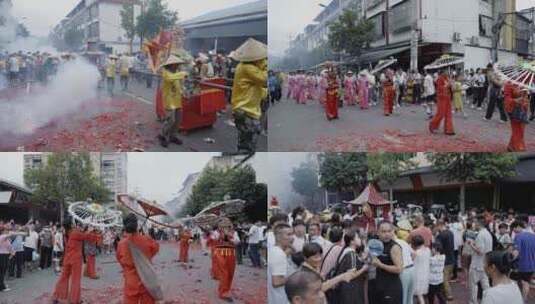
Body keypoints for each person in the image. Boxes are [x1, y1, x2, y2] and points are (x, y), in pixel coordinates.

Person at [230, 38, 268, 153]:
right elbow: (265, 80)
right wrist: (265, 67)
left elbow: (259, 88)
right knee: (248, 142)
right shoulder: (248, 68)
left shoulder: (245, 66)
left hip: (247, 109)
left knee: (246, 140)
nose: (264, 60)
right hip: (246, 110)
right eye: (262, 58)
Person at [51, 219, 100, 304]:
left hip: (67, 258)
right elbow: (89, 237)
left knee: (63, 278)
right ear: (71, 224)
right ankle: (75, 300)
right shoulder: (75, 232)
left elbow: (83, 235)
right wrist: (91, 230)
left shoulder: (66, 233)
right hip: (76, 259)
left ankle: (56, 297)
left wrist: (87, 230)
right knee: (75, 279)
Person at [116, 213, 160, 304]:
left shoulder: (121, 244)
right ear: (136, 225)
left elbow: (120, 259)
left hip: (131, 281)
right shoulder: (147, 239)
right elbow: (155, 248)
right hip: (147, 280)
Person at [369, 221, 403, 304]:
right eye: (384, 232)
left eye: (389, 231)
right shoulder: (377, 243)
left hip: (391, 288)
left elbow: (399, 269)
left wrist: (380, 265)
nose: (387, 234)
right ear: (378, 232)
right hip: (379, 285)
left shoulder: (394, 247)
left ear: (393, 232)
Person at [158, 55, 188, 148]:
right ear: (171, 65)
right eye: (176, 64)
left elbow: (179, 85)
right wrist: (183, 74)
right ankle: (162, 136)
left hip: (177, 100)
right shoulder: (165, 72)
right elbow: (170, 78)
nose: (178, 66)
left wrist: (183, 91)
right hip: (169, 100)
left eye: (178, 64)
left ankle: (173, 136)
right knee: (171, 120)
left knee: (178, 120)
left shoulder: (177, 72)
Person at [332, 229, 369, 304]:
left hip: (346, 291)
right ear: (352, 241)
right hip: (350, 291)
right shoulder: (351, 254)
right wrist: (364, 268)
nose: (360, 240)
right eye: (358, 238)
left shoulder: (346, 251)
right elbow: (351, 275)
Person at [212, 218, 240, 301]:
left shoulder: (234, 233)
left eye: (227, 223)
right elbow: (213, 239)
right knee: (224, 273)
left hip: (231, 253)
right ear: (219, 225)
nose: (225, 224)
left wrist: (230, 237)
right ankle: (223, 292)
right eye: (222, 223)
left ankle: (226, 289)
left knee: (230, 272)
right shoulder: (217, 232)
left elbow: (237, 241)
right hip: (220, 253)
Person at [468, 216, 493, 304]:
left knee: (473, 285)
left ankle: (473, 302)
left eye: (475, 222)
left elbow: (480, 251)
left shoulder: (481, 234)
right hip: (485, 263)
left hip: (477, 264)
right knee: (485, 286)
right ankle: (488, 301)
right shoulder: (488, 234)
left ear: (478, 223)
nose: (473, 224)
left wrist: (471, 244)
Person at [268, 223, 293, 304]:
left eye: (292, 234)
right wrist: (295, 276)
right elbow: (276, 282)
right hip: (280, 299)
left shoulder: (275, 251)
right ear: (278, 237)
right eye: (288, 235)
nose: (291, 238)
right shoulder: (279, 254)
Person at [510, 220, 535, 300]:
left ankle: (515, 300)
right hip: (531, 265)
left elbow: (516, 252)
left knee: (513, 281)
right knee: (526, 283)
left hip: (520, 265)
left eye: (514, 229)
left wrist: (509, 259)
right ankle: (523, 300)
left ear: (517, 226)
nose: (514, 231)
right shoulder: (533, 236)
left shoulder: (519, 236)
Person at [504, 81, 529, 151]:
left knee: (522, 129)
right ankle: (518, 147)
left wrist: (525, 93)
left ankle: (511, 146)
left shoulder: (524, 82)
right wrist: (515, 100)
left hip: (523, 109)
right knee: (517, 129)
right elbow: (506, 99)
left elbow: (525, 97)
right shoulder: (508, 84)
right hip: (513, 110)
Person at [429, 68, 455, 135]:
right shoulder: (439, 79)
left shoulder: (447, 78)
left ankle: (449, 130)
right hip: (441, 98)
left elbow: (452, 88)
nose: (448, 72)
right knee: (441, 114)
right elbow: (440, 88)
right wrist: (447, 85)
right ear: (442, 72)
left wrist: (452, 84)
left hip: (448, 97)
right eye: (446, 71)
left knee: (448, 114)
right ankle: (432, 126)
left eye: (448, 70)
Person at [434, 220, 455, 300]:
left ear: (439, 225)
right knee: (448, 278)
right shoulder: (450, 233)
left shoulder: (440, 235)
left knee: (444, 279)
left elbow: (438, 248)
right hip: (451, 258)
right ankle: (445, 292)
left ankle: (449, 295)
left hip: (444, 259)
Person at [395, 230, 415, 304]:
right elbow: (414, 254)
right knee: (410, 298)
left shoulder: (393, 243)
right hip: (412, 268)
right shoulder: (402, 242)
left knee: (402, 297)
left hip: (404, 270)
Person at [412, 235, 430, 304]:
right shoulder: (428, 250)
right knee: (421, 294)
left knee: (419, 295)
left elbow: (411, 261)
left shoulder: (416, 253)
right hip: (426, 273)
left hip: (418, 274)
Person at [0, 226, 14, 292]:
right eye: (6, 230)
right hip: (2, 256)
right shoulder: (2, 237)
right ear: (2, 231)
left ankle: (2, 284)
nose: (7, 231)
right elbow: (10, 235)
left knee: (3, 272)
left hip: (5, 256)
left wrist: (11, 253)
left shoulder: (6, 239)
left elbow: (10, 247)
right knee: (2, 272)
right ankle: (2, 287)